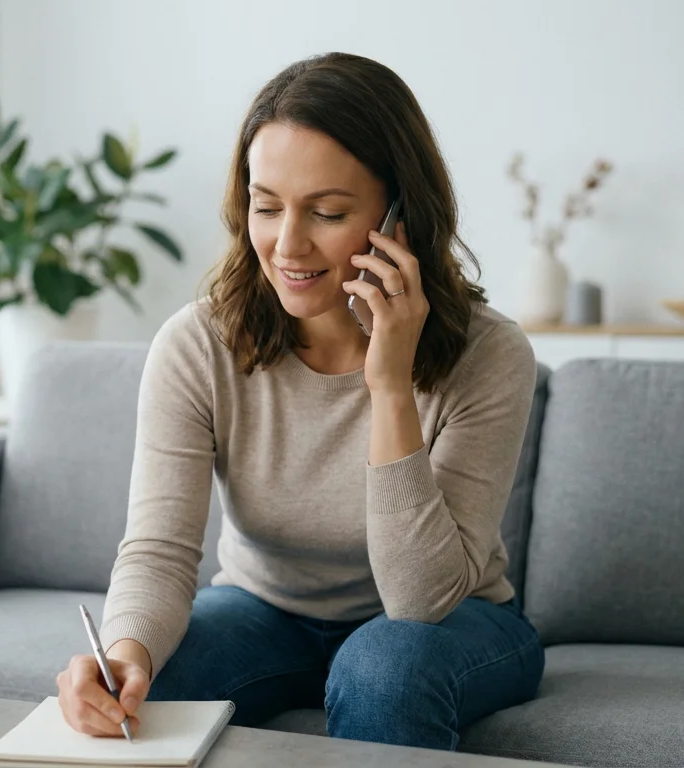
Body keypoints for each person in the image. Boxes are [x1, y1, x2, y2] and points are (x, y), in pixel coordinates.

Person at [55, 51, 543, 751]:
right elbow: (160, 550)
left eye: (328, 212)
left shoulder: (490, 354)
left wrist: (389, 383)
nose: (287, 245)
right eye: (266, 206)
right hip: (265, 610)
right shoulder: (198, 345)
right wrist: (125, 654)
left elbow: (419, 599)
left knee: (381, 669)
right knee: (154, 678)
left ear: (400, 214)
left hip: (452, 623)